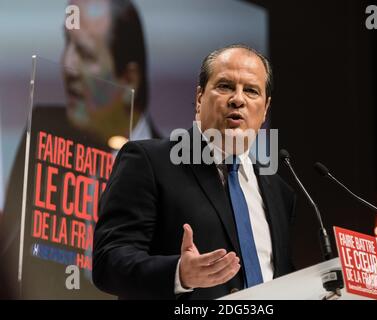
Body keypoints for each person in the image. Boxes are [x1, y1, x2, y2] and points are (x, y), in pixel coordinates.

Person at [93, 44, 297, 300]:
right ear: (200, 98)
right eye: (225, 86)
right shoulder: (149, 161)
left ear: (265, 109)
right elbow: (108, 262)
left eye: (251, 91)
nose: (238, 99)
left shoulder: (279, 192)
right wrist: (179, 274)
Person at [0, 0, 158, 298]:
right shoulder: (44, 131)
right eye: (67, 44)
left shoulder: (177, 169)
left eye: (84, 54)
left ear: (129, 78)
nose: (67, 65)